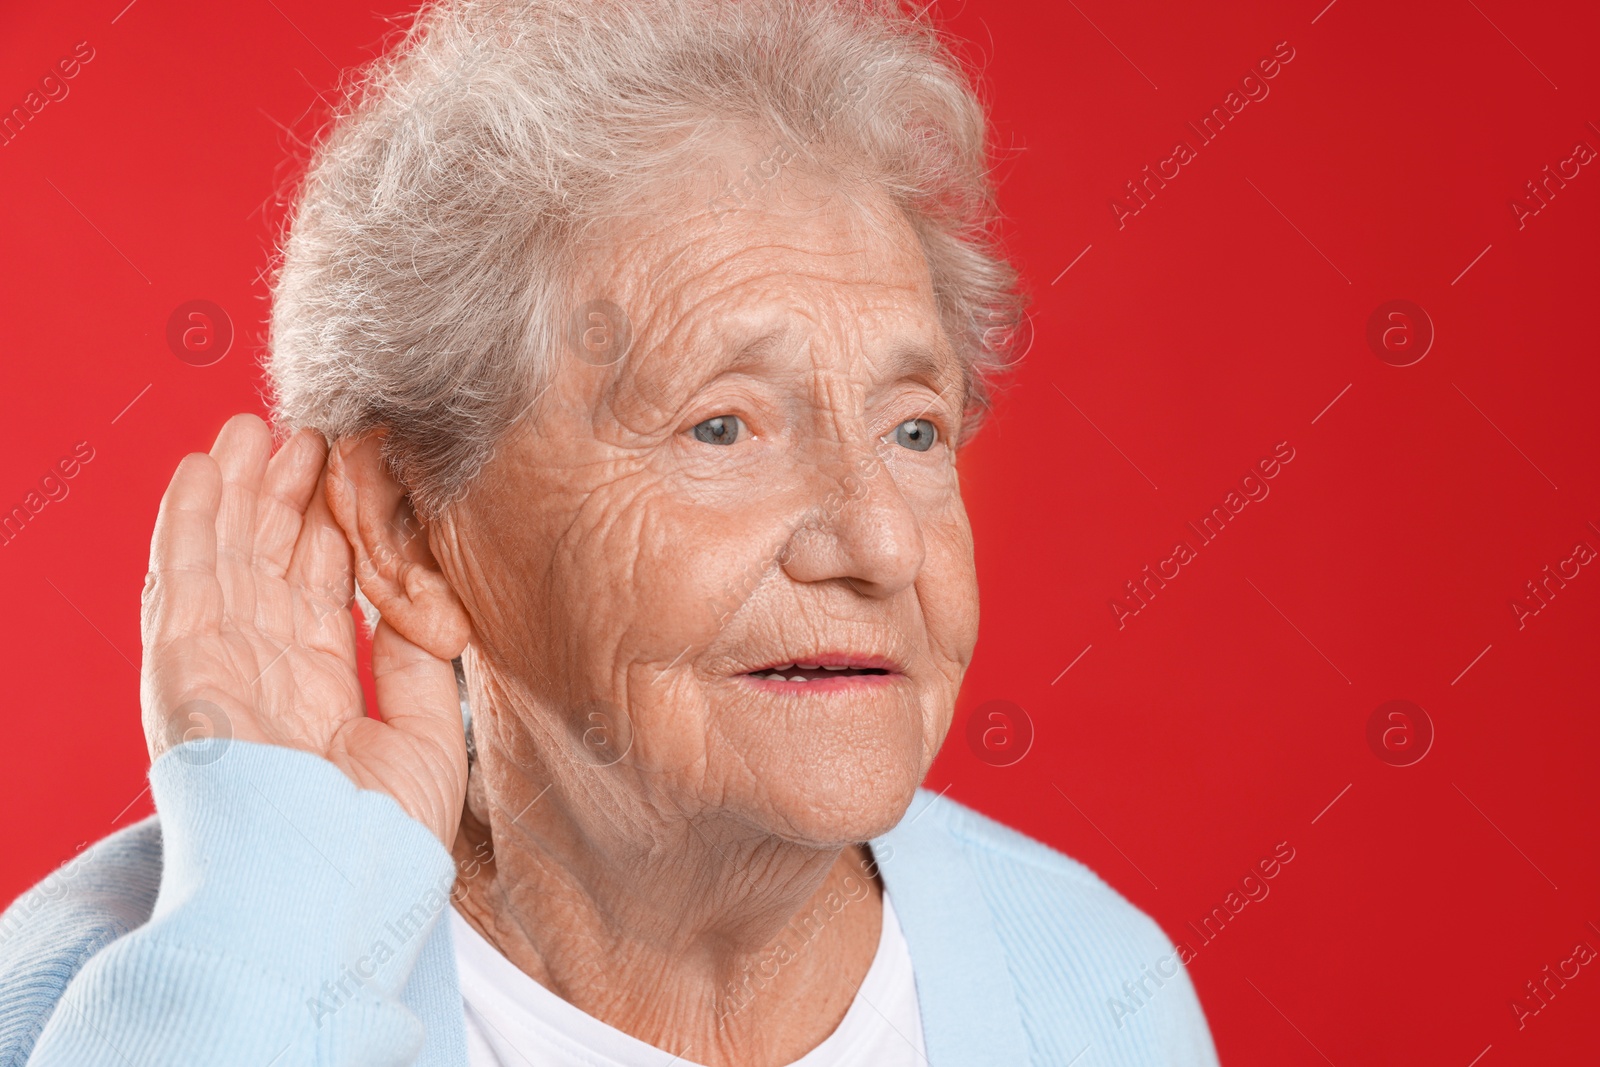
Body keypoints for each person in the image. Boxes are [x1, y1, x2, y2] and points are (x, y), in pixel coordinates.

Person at [0, 1, 1220, 1063]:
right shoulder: (115, 986)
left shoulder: (1093, 992)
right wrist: (277, 924)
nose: (881, 546)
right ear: (412, 532)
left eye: (913, 430)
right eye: (723, 427)